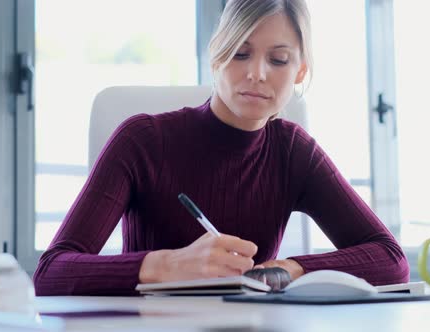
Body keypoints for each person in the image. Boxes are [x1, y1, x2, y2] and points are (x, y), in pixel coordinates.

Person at [33, 0, 409, 296]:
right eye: (241, 53)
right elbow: (51, 271)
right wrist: (166, 266)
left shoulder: (293, 151)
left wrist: (291, 269)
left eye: (278, 59)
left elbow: (391, 259)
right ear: (216, 55)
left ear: (299, 72)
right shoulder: (142, 141)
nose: (257, 73)